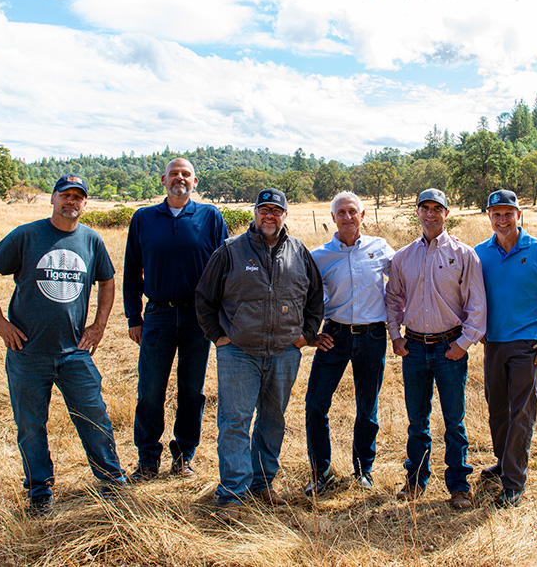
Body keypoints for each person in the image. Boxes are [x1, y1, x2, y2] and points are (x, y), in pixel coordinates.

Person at [0, 174, 127, 516]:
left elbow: (107, 281)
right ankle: (39, 491)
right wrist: (0, 323)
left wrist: (99, 326)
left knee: (94, 416)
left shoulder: (91, 240)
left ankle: (112, 482)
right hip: (28, 352)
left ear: (85, 204)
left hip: (74, 352)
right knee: (31, 425)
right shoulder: (28, 235)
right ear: (53, 199)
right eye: (65, 195)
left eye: (78, 197)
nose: (71, 201)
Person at [195, 188, 324, 521]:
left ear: (285, 215)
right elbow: (204, 298)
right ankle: (233, 494)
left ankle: (263, 483)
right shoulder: (230, 251)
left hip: (284, 353)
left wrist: (305, 336)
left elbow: (315, 299)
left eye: (276, 210)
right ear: (254, 213)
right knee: (235, 423)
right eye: (264, 209)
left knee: (273, 421)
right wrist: (219, 337)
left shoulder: (299, 252)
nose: (269, 215)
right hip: (239, 353)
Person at [123, 158, 228, 481]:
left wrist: (222, 316)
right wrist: (133, 317)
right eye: (174, 174)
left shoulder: (210, 216)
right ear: (163, 180)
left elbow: (226, 267)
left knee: (192, 390)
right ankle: (147, 459)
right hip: (158, 315)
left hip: (199, 317)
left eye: (185, 174)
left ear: (195, 181)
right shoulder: (143, 218)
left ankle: (184, 456)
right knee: (150, 389)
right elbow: (131, 270)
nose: (179, 179)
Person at [385, 188, 486, 510]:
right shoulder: (402, 258)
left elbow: (477, 304)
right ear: (417, 212)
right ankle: (415, 481)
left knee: (454, 421)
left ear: (447, 212)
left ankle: (458, 485)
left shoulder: (464, 254)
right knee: (417, 422)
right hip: (413, 347)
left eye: (436, 208)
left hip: (449, 349)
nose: (430, 214)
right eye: (424, 208)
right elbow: (393, 300)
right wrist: (395, 336)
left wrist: (463, 343)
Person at [474, 189, 537, 508]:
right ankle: (503, 463)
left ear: (519, 215)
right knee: (497, 409)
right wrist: (478, 327)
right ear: (489, 216)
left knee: (521, 411)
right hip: (494, 343)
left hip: (529, 345)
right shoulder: (480, 253)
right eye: (496, 214)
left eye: (507, 214)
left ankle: (513, 483)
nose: (502, 220)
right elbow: (473, 296)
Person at [303, 191, 394, 497]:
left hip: (373, 336)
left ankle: (363, 470)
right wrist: (310, 333)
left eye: (352, 211)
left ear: (362, 215)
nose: (347, 217)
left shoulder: (380, 249)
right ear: (332, 218)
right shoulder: (319, 256)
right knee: (315, 404)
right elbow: (305, 297)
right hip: (335, 336)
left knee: (367, 407)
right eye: (340, 212)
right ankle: (321, 473)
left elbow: (404, 282)